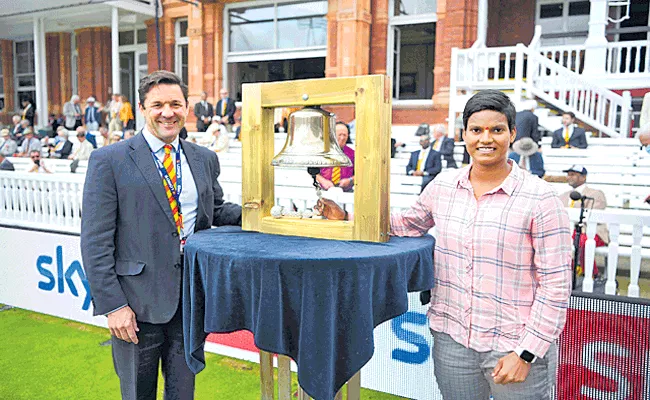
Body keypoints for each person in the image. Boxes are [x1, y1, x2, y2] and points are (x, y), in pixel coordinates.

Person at [317, 90, 572, 399]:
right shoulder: (444, 186)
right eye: (476, 130)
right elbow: (407, 224)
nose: (486, 138)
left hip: (513, 346)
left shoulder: (541, 198)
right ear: (464, 134)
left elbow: (556, 285)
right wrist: (345, 215)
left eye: (497, 129)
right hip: (453, 342)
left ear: (512, 133)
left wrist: (527, 352)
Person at [80, 70, 242, 400]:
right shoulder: (109, 160)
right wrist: (114, 306)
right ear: (142, 108)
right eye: (158, 105)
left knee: (183, 393)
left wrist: (262, 211)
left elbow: (217, 212)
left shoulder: (204, 159)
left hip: (190, 301)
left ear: (187, 108)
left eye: (175, 104)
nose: (167, 112)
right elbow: (95, 241)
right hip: (135, 307)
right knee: (139, 394)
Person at [559, 165, 608, 278]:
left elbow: (592, 215)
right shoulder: (563, 196)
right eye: (568, 174)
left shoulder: (595, 194)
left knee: (582, 241)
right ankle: (567, 272)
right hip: (569, 232)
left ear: (583, 177)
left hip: (593, 232)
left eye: (573, 174)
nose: (569, 177)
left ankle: (592, 274)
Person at [316, 122, 355, 192]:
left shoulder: (353, 154)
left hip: (345, 191)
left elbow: (359, 174)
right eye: (339, 135)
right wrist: (323, 181)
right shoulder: (321, 152)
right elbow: (313, 172)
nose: (342, 138)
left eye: (345, 135)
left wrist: (350, 180)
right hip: (324, 190)